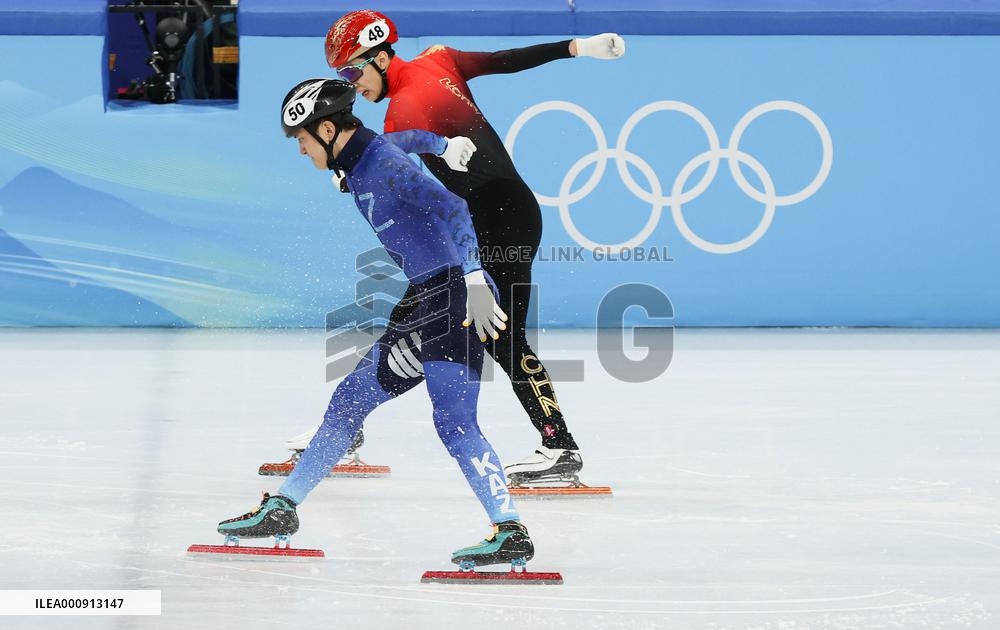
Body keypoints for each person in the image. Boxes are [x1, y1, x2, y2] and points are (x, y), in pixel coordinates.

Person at [217, 79, 533, 569]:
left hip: (452, 299)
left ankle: (510, 529)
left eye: (301, 139)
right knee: (351, 400)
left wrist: (473, 277)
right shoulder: (368, 156)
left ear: (326, 129)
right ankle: (283, 507)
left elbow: (453, 206)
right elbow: (405, 139)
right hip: (432, 299)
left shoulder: (381, 167)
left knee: (453, 422)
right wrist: (445, 144)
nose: (300, 150)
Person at [306, 9, 627, 485]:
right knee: (413, 316)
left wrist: (346, 175)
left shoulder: (400, 114)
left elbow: (385, 168)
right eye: (342, 77)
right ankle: (345, 432)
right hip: (506, 211)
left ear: (380, 55)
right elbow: (503, 60)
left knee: (500, 334)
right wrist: (576, 47)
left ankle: (560, 449)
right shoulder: (439, 58)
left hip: (492, 218)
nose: (352, 85)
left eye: (354, 70)